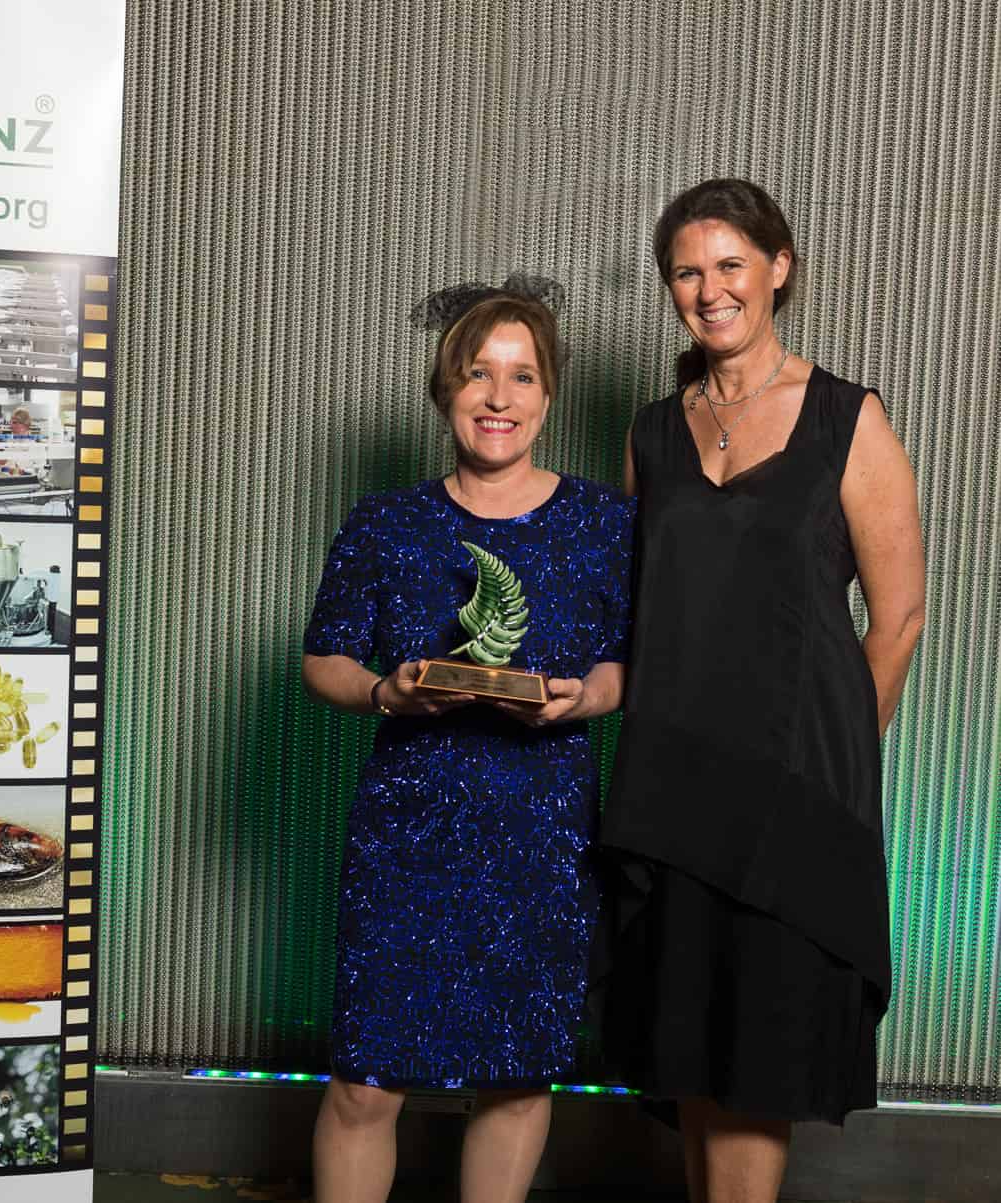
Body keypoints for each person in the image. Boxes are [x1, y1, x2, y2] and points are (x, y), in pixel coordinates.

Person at [597, 178, 925, 1203]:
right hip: (673, 789)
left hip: (791, 800)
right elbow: (643, 611)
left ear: (780, 268)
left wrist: (828, 768)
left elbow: (899, 618)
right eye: (686, 272)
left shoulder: (846, 418)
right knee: (693, 1061)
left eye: (731, 264)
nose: (711, 290)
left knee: (755, 1069)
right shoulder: (652, 434)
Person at [302, 277, 634, 1203]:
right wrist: (385, 691)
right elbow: (323, 659)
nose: (499, 397)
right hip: (407, 831)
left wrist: (583, 699)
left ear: (549, 394)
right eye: (479, 374)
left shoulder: (607, 524)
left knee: (517, 1076)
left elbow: (626, 664)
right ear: (445, 388)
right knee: (366, 1080)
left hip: (542, 835)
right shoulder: (384, 522)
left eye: (522, 376)